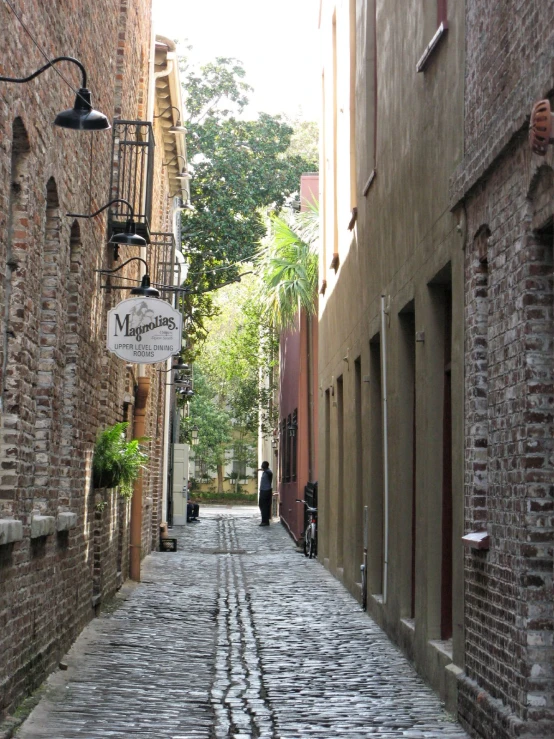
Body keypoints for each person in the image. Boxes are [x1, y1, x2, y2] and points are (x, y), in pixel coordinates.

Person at [258, 461, 273, 526]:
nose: (261, 466)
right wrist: (260, 470)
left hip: (266, 491)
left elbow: (269, 473)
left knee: (264, 506)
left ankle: (265, 521)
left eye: (262, 465)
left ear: (265, 466)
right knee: (261, 505)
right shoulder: (265, 472)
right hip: (263, 491)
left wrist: (262, 469)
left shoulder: (268, 472)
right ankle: (265, 520)